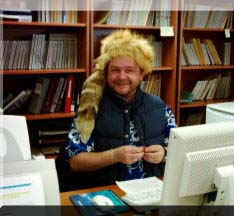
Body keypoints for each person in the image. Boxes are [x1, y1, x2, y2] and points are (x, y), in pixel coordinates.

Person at [61, 29, 176, 189]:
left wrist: (164, 153)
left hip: (151, 193)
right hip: (108, 196)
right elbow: (74, 161)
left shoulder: (160, 107)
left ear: (141, 74)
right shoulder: (90, 108)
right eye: (115, 70)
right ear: (106, 73)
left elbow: (179, 149)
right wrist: (113, 156)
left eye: (129, 70)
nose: (122, 76)